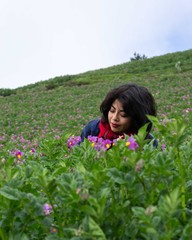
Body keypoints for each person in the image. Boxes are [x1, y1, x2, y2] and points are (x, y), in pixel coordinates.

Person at [80, 83, 158, 147]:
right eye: (112, 110)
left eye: (123, 115)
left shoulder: (149, 143)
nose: (114, 118)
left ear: (137, 118)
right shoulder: (92, 129)